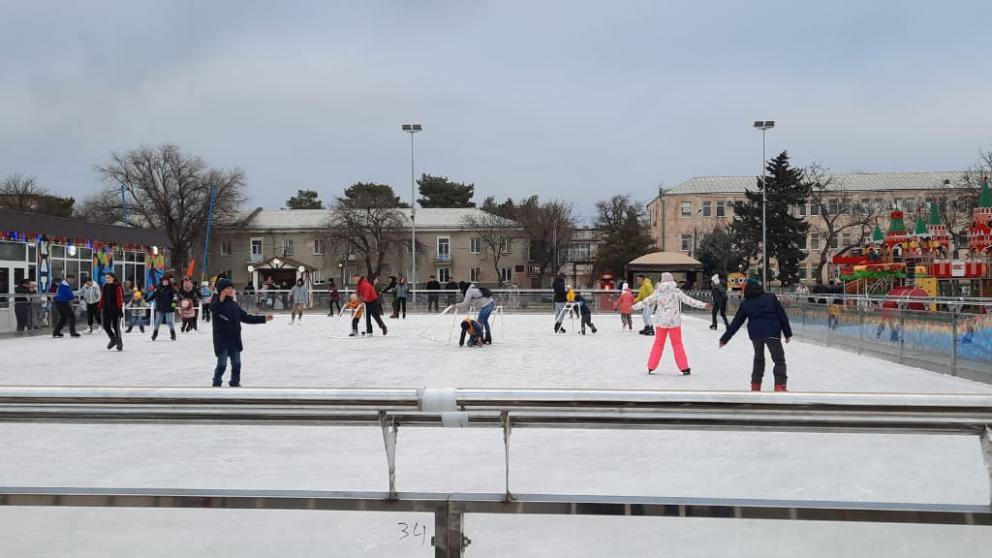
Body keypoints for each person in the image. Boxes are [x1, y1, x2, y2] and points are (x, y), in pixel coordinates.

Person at [719, 278, 793, 392]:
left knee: (758, 359)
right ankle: (780, 386)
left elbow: (736, 322)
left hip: (756, 334)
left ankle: (755, 386)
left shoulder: (746, 304)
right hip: (772, 332)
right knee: (778, 360)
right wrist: (787, 333)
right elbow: (781, 315)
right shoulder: (771, 297)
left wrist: (725, 339)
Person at [633, 272, 709, 375]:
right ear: (672, 280)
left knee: (658, 344)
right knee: (677, 344)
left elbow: (646, 301)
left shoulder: (658, 292)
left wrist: (632, 307)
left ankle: (651, 366)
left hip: (661, 323)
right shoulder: (676, 291)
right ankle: (684, 367)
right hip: (674, 322)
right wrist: (703, 305)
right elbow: (689, 301)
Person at [210, 278, 273, 387]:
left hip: (234, 339)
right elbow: (214, 309)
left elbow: (246, 317)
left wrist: (263, 319)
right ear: (222, 290)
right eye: (228, 288)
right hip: (222, 339)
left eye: (231, 288)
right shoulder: (216, 302)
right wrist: (221, 296)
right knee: (222, 364)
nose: (231, 290)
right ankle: (216, 382)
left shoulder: (234, 305)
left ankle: (235, 382)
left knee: (237, 363)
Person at [99, 272, 124, 351]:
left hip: (115, 309)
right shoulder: (105, 286)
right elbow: (103, 297)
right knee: (105, 325)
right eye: (106, 278)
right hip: (106, 309)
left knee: (115, 326)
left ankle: (119, 342)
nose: (107, 279)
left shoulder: (117, 287)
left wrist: (120, 309)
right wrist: (99, 306)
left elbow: (120, 298)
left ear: (113, 278)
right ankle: (113, 339)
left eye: (108, 278)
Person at [147, 276, 178, 341]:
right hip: (160, 307)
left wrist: (174, 302)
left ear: (168, 282)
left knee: (169, 321)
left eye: (166, 281)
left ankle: (173, 334)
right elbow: (153, 296)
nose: (165, 282)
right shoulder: (158, 288)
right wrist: (146, 300)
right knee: (157, 321)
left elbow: (175, 296)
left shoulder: (171, 289)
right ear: (162, 282)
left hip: (169, 307)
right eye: (164, 281)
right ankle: (154, 334)